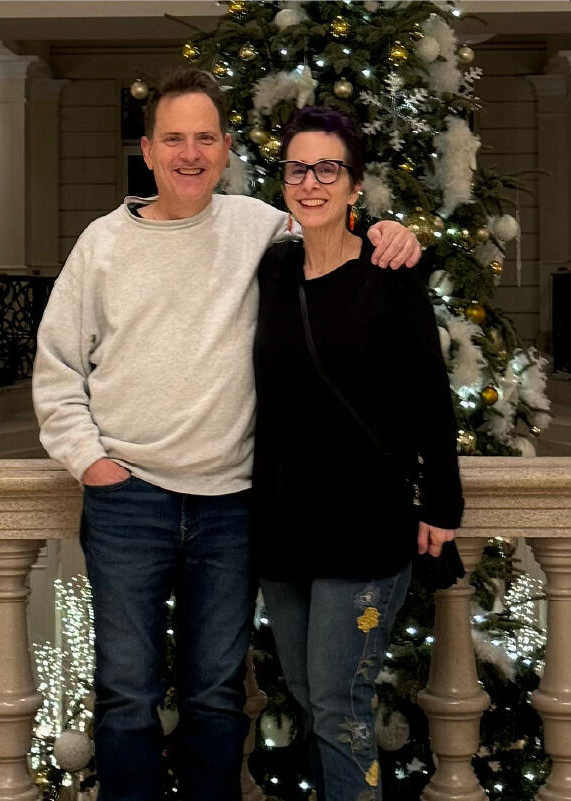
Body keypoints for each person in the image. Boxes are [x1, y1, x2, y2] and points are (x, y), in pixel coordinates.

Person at [31, 67, 422, 801]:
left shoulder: (258, 227)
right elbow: (56, 371)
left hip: (231, 507)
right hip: (128, 502)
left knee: (214, 697)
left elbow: (329, 221)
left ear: (225, 147)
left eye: (203, 137)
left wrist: (389, 229)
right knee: (124, 694)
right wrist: (90, 462)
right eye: (172, 138)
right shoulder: (102, 244)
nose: (188, 152)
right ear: (146, 151)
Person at [252, 106, 462, 801]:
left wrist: (441, 503)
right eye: (296, 168)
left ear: (353, 185)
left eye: (326, 169)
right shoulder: (273, 269)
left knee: (341, 706)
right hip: (284, 527)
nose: (309, 182)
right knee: (313, 697)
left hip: (365, 525)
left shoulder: (388, 268)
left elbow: (430, 394)